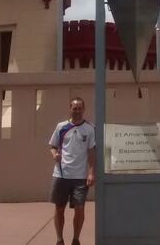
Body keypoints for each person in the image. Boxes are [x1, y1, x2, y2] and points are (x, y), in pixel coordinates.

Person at [49, 98, 96, 245]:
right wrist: (54, 155)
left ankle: (76, 239)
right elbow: (53, 146)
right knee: (59, 208)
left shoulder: (90, 128)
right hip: (61, 175)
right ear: (70, 108)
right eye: (74, 108)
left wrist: (91, 172)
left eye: (79, 108)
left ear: (84, 109)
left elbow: (92, 152)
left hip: (80, 177)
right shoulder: (61, 127)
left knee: (80, 209)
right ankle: (59, 240)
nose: (77, 111)